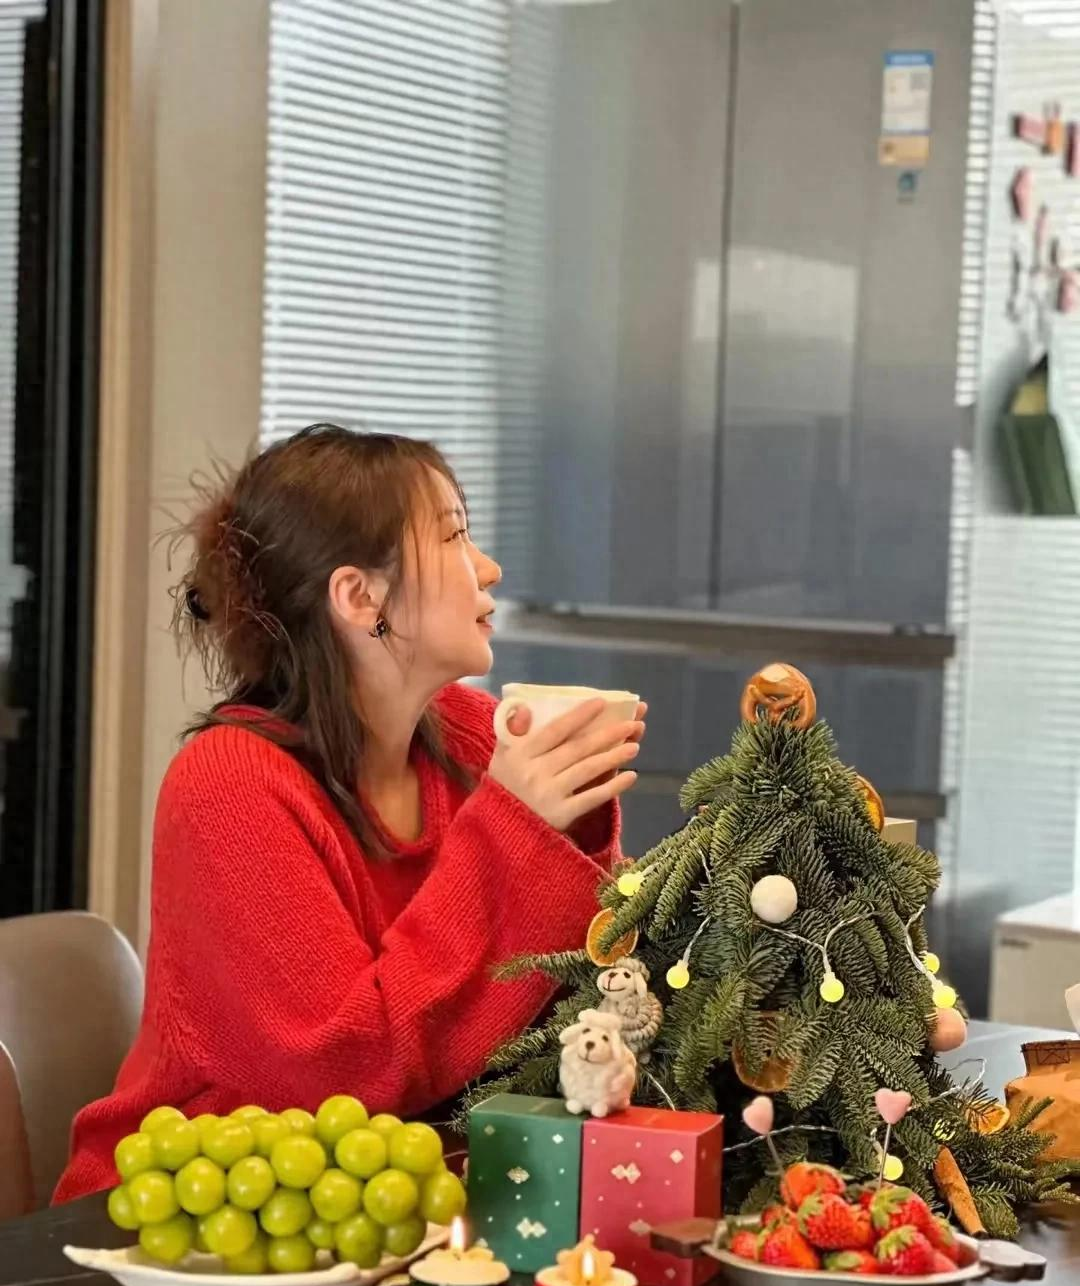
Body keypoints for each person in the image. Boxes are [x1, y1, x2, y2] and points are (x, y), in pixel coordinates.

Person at [55, 426, 645, 1202]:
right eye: (454, 537)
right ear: (360, 598)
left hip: (404, 1190)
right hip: (205, 1208)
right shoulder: (228, 786)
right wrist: (513, 827)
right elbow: (341, 1073)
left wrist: (574, 823)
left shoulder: (473, 737)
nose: (488, 568)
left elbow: (567, 993)